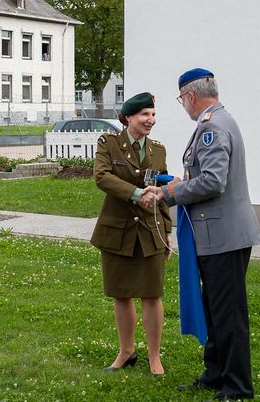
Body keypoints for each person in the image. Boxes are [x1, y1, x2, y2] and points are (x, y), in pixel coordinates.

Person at [144, 69, 260, 400]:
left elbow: (213, 181)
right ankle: (215, 373)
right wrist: (178, 185)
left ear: (191, 96)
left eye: (182, 99)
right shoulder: (218, 120)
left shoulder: (212, 127)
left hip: (224, 236)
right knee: (214, 308)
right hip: (220, 235)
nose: (183, 105)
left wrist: (170, 194)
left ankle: (237, 387)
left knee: (228, 314)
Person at [90, 92, 173, 376]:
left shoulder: (158, 150)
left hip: (151, 230)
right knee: (121, 294)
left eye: (152, 115)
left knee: (152, 294)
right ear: (128, 117)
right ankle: (126, 351)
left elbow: (161, 194)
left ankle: (154, 356)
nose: (150, 120)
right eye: (144, 115)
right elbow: (102, 177)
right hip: (117, 231)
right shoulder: (108, 144)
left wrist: (168, 231)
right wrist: (137, 194)